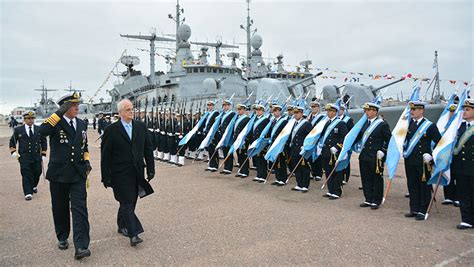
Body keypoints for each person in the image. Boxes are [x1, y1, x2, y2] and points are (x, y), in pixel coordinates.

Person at [39, 92, 92, 260]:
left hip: (77, 174)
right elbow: (42, 131)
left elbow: (85, 146)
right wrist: (58, 112)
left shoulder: (82, 124)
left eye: (78, 104)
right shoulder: (55, 122)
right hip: (59, 174)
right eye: (73, 105)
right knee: (60, 208)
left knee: (80, 210)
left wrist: (86, 162)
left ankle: (82, 245)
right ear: (65, 107)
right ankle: (62, 236)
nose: (77, 107)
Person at [101, 99, 155, 246]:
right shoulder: (111, 130)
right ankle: (134, 233)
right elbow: (105, 155)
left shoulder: (140, 127)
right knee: (127, 202)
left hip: (137, 172)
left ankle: (121, 225)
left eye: (132, 109)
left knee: (130, 201)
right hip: (119, 174)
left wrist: (151, 168)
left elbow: (147, 149)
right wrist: (105, 176)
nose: (131, 111)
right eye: (128, 109)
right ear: (120, 113)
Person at [403, 101, 441, 221]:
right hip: (410, 159)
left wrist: (431, 156)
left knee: (423, 186)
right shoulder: (407, 125)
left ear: (421, 111)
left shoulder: (429, 126)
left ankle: (423, 210)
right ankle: (414, 208)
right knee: (412, 184)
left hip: (424, 161)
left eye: (415, 110)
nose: (412, 112)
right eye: (411, 110)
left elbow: (440, 143)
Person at [354, 103, 391, 210]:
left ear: (375, 111)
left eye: (369, 110)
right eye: (365, 110)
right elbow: (357, 137)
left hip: (376, 156)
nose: (367, 112)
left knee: (376, 179)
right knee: (366, 178)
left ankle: (376, 200)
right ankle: (368, 198)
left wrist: (383, 151)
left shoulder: (382, 124)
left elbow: (389, 140)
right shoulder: (365, 124)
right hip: (364, 156)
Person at [9, 111, 47, 200]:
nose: (31, 120)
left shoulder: (39, 129)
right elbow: (12, 141)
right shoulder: (18, 130)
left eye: (32, 118)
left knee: (37, 172)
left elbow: (44, 141)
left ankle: (33, 185)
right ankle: (28, 192)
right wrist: (13, 151)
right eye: (28, 119)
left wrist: (44, 153)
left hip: (36, 156)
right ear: (24, 119)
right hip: (24, 156)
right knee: (26, 173)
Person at [451, 99, 474, 229]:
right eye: (464, 109)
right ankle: (466, 219)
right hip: (461, 166)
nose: (464, 112)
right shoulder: (458, 127)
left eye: (467, 110)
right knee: (463, 193)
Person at [320, 103, 348, 199]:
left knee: (336, 172)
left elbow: (345, 138)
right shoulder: (327, 123)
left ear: (335, 112)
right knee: (328, 171)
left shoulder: (341, 123)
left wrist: (337, 147)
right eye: (327, 111)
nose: (328, 113)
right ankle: (330, 190)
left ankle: (336, 191)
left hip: (334, 152)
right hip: (326, 152)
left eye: (330, 111)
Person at [288, 106, 312, 192]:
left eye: (297, 113)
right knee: (296, 166)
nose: (296, 114)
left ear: (302, 113)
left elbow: (311, 136)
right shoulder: (293, 123)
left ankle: (305, 185)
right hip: (294, 148)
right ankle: (299, 184)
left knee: (304, 167)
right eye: (295, 113)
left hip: (302, 149)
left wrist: (306, 146)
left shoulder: (306, 123)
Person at [268, 104, 288, 186]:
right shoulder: (273, 121)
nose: (275, 112)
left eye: (277, 111)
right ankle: (277, 178)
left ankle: (283, 179)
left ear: (280, 111)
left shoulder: (284, 121)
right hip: (273, 144)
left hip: (280, 145)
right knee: (275, 162)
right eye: (274, 111)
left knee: (281, 162)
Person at [251, 103, 270, 182]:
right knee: (257, 158)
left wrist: (265, 142)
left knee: (262, 159)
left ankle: (263, 175)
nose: (257, 111)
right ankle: (258, 174)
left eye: (259, 110)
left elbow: (268, 132)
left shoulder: (266, 120)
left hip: (262, 143)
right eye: (257, 110)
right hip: (255, 141)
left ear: (263, 111)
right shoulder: (254, 119)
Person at [307, 100, 325, 181]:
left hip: (318, 139)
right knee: (310, 157)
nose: (313, 108)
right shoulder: (309, 117)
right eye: (312, 107)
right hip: (310, 139)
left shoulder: (321, 117)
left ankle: (318, 173)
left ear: (318, 107)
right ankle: (313, 172)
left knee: (318, 156)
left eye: (315, 107)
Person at [233, 103, 251, 178]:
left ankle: (245, 171)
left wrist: (246, 139)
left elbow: (248, 130)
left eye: (240, 109)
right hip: (237, 140)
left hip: (243, 140)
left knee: (243, 155)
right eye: (238, 109)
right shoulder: (237, 118)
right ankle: (241, 169)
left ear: (244, 110)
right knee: (239, 155)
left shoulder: (247, 119)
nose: (239, 111)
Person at [338, 104, 354, 184]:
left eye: (341, 109)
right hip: (337, 144)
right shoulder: (335, 119)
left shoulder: (348, 120)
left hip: (345, 143)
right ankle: (338, 178)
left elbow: (351, 132)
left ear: (343, 110)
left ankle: (345, 178)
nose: (339, 110)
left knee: (346, 160)